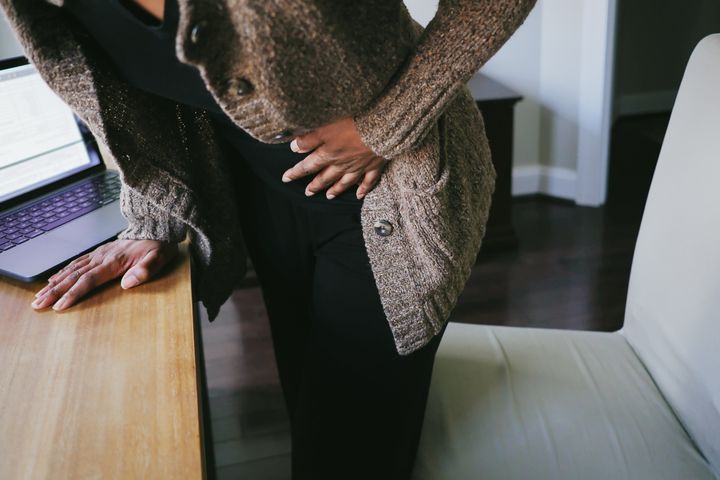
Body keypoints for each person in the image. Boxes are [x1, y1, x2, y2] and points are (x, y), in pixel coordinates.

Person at [1, 0, 537, 478]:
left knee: (347, 452)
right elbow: (143, 103)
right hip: (261, 198)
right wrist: (154, 216)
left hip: (392, 200)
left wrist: (386, 124)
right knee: (310, 411)